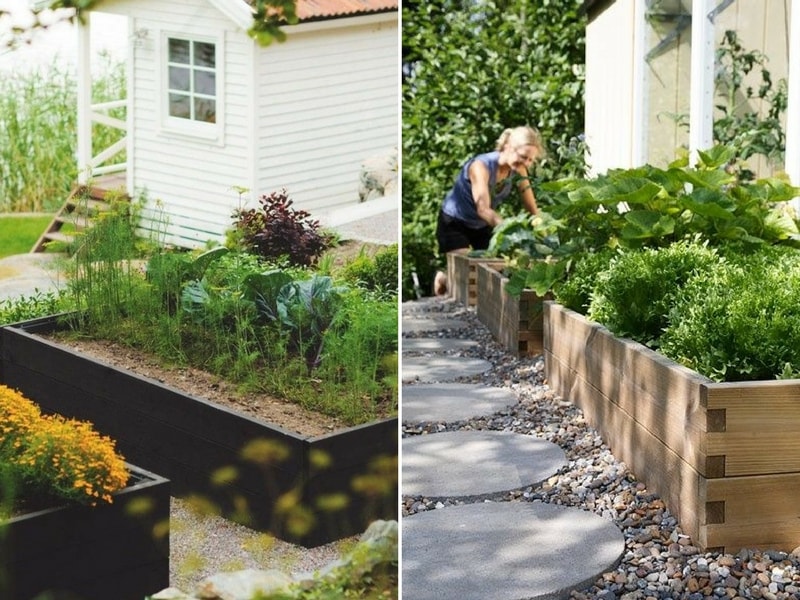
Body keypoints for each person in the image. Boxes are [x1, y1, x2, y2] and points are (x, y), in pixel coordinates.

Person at [433, 125, 545, 296]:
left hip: (481, 226)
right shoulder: (481, 167)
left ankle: (449, 279)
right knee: (469, 276)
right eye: (523, 157)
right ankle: (443, 279)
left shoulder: (519, 168)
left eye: (531, 160)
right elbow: (483, 209)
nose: (526, 163)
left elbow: (531, 207)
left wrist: (541, 233)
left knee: (493, 272)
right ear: (508, 146)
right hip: (454, 223)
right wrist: (511, 230)